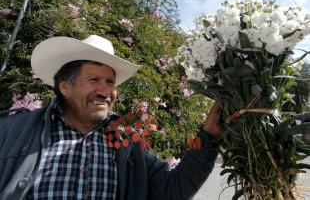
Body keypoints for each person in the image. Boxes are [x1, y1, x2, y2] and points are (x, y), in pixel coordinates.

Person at [0, 35, 223, 200]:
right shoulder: (12, 131)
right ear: (65, 86)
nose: (105, 90)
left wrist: (209, 136)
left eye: (110, 82)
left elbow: (171, 190)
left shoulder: (128, 140)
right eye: (93, 79)